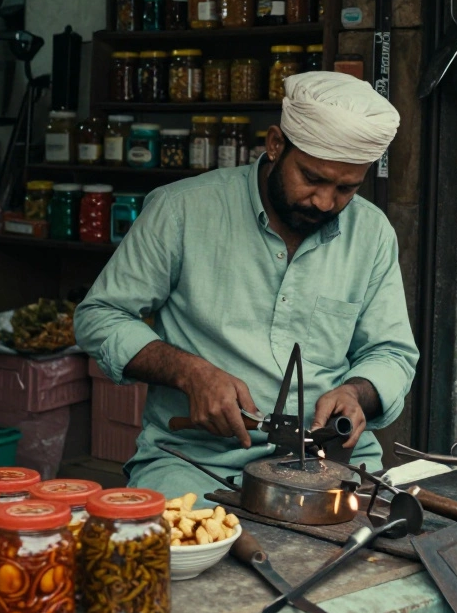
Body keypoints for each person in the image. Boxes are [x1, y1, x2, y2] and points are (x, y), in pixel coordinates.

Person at [74, 72, 419, 500]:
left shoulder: (371, 232)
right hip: (200, 462)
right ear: (275, 144)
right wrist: (190, 372)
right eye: (311, 178)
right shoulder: (182, 210)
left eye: (346, 188)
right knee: (183, 553)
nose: (326, 202)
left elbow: (391, 352)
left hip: (331, 462)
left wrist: (357, 393)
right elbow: (99, 317)